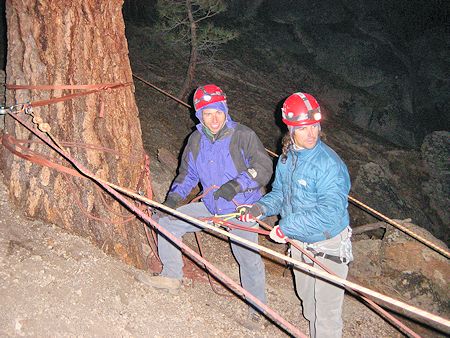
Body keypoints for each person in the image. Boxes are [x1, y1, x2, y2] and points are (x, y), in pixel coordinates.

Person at [147, 84, 273, 329]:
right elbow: (187, 175)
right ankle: (172, 276)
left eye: (217, 112)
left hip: (241, 208)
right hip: (211, 205)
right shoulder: (195, 140)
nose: (213, 119)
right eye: (207, 114)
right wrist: (172, 200)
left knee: (247, 257)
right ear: (199, 115)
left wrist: (237, 185)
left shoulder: (243, 136)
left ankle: (258, 311)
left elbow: (263, 168)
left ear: (225, 111)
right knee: (168, 222)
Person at [239, 92, 353, 338]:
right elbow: (280, 193)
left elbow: (329, 213)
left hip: (329, 245)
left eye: (314, 126)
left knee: (326, 315)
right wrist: (260, 208)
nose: (311, 134)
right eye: (303, 129)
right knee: (308, 305)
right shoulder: (287, 158)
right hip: (300, 242)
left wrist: (286, 227)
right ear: (290, 130)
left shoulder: (329, 165)